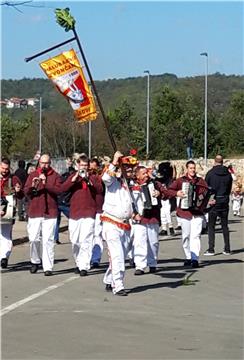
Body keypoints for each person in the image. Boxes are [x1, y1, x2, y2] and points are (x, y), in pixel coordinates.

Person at [131, 166, 183, 275]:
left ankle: (152, 263)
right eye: (143, 173)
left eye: (146, 173)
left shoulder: (155, 184)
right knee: (139, 242)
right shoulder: (131, 185)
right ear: (137, 175)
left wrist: (161, 194)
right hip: (139, 218)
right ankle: (140, 266)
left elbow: (165, 192)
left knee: (153, 242)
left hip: (153, 217)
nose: (146, 175)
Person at [101, 151, 136, 296]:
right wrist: (115, 161)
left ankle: (109, 279)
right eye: (125, 167)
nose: (128, 170)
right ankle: (118, 285)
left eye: (130, 168)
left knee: (121, 254)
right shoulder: (112, 181)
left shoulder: (130, 184)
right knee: (117, 256)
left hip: (126, 225)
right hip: (111, 223)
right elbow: (105, 177)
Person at [61, 154, 103, 276]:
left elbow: (100, 190)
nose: (84, 167)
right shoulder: (72, 176)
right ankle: (79, 262)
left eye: (86, 165)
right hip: (75, 213)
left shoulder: (93, 177)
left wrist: (89, 179)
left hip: (89, 212)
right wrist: (74, 179)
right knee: (75, 241)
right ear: (77, 165)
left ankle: (84, 266)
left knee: (86, 239)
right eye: (82, 165)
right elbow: (63, 188)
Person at [24, 154, 63, 276]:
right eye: (42, 163)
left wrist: (46, 183)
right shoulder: (33, 175)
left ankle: (48, 267)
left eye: (47, 163)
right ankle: (35, 261)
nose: (44, 165)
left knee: (48, 240)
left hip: (50, 213)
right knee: (34, 239)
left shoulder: (55, 176)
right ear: (39, 163)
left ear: (50, 163)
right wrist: (33, 185)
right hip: (35, 211)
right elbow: (26, 192)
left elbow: (59, 191)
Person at [169, 160, 212, 268]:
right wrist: (177, 193)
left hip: (197, 213)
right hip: (185, 212)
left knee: (196, 236)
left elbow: (207, 193)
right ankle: (188, 256)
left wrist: (208, 201)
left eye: (194, 168)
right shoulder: (180, 181)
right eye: (191, 168)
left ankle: (195, 258)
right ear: (187, 169)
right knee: (186, 236)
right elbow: (170, 190)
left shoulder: (201, 181)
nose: (192, 170)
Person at [204, 155, 233, 256]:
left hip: (214, 201)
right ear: (222, 162)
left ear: (214, 161)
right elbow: (229, 188)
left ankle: (211, 249)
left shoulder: (210, 173)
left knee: (211, 226)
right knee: (225, 225)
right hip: (224, 200)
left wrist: (208, 200)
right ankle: (227, 248)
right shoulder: (228, 174)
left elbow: (206, 188)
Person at [0, 158, 23, 269]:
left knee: (5, 235)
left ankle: (4, 257)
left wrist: (18, 191)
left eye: (6, 169)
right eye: (2, 168)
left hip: (8, 209)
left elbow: (21, 195)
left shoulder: (13, 179)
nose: (4, 171)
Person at [54, 159, 75, 244]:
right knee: (73, 218)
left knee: (57, 221)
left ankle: (55, 238)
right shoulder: (68, 177)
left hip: (57, 201)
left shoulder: (55, 177)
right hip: (65, 201)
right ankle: (73, 236)